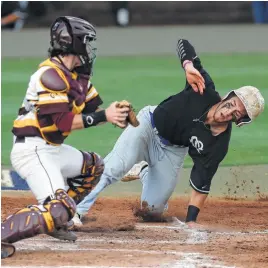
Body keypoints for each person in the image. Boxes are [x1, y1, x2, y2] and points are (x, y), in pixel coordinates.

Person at [73, 39, 265, 228]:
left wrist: (191, 221)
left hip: (172, 151)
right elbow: (184, 44)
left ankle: (143, 170)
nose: (228, 112)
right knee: (115, 167)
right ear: (229, 96)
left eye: (236, 114)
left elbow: (201, 184)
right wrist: (188, 66)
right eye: (231, 105)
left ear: (239, 120)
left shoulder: (218, 142)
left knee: (153, 211)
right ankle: (76, 212)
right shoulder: (204, 88)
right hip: (147, 125)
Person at [1, 16, 131, 259]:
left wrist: (119, 114)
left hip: (52, 150)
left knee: (93, 166)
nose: (89, 47)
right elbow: (60, 124)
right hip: (33, 151)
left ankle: (58, 219)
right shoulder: (50, 75)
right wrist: (106, 115)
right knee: (59, 208)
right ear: (73, 42)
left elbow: (94, 111)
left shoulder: (73, 76)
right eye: (86, 41)